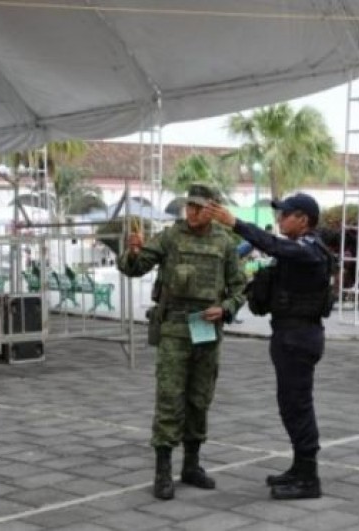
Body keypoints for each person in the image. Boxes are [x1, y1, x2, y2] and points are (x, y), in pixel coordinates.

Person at [117, 183, 246, 501]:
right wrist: (132, 251)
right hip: (175, 329)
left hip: (206, 329)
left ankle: (192, 464)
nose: (192, 212)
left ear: (214, 209)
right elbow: (135, 268)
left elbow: (240, 286)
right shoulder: (171, 236)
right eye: (189, 206)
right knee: (170, 399)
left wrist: (226, 308)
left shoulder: (225, 243)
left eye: (199, 207)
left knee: (199, 399)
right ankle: (162, 471)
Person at [206, 192, 333, 500]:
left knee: (297, 406)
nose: (279, 219)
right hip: (289, 336)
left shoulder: (309, 249)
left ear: (303, 219)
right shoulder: (295, 251)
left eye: (285, 214)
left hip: (299, 338)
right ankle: (300, 467)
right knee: (290, 405)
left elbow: (274, 245)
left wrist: (235, 223)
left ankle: (308, 477)